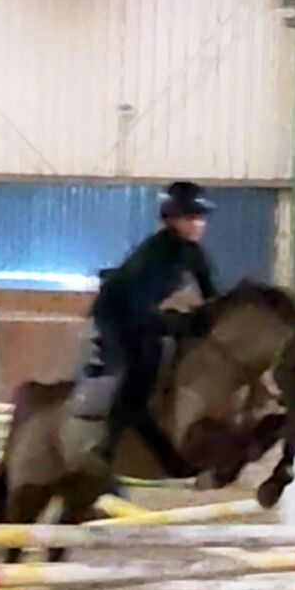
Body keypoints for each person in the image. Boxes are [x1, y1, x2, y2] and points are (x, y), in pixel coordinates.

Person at [91, 181, 218, 470]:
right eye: (190, 217)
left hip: (141, 312)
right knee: (144, 362)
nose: (198, 224)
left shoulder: (193, 252)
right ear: (171, 219)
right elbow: (139, 310)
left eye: (201, 218)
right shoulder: (156, 254)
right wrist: (180, 323)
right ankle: (107, 447)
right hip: (117, 314)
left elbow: (212, 295)